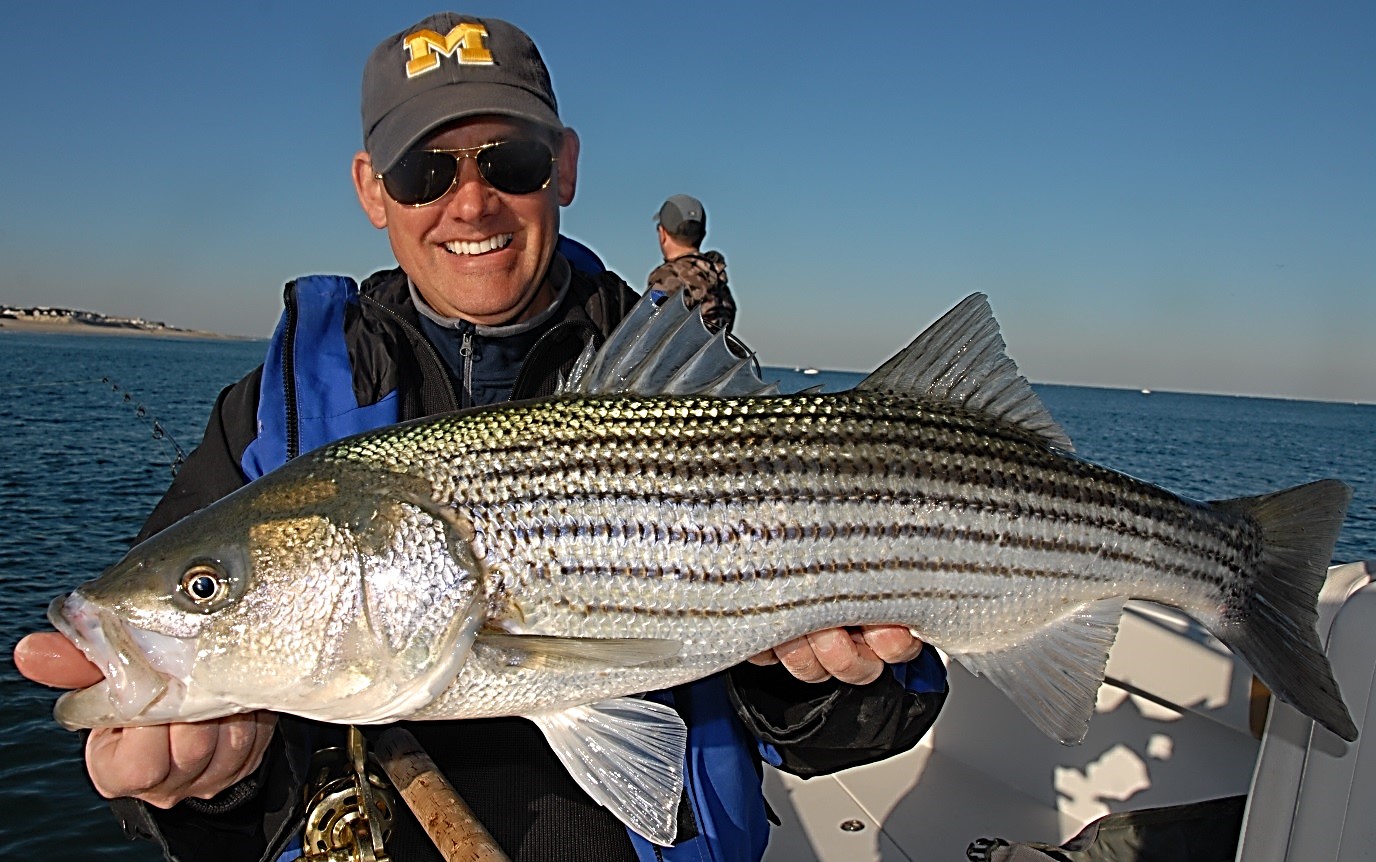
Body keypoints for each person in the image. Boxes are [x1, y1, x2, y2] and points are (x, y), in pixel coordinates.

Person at [12, 12, 947, 862]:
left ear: (567, 167)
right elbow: (178, 804)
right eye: (425, 171)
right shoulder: (264, 424)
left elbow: (884, 714)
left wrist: (817, 687)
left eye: (512, 162)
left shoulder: (690, 387)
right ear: (373, 190)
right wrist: (217, 787)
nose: (470, 203)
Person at [648, 194, 737, 333]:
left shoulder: (666, 276)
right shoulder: (716, 273)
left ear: (663, 233)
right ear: (703, 235)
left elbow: (651, 331)